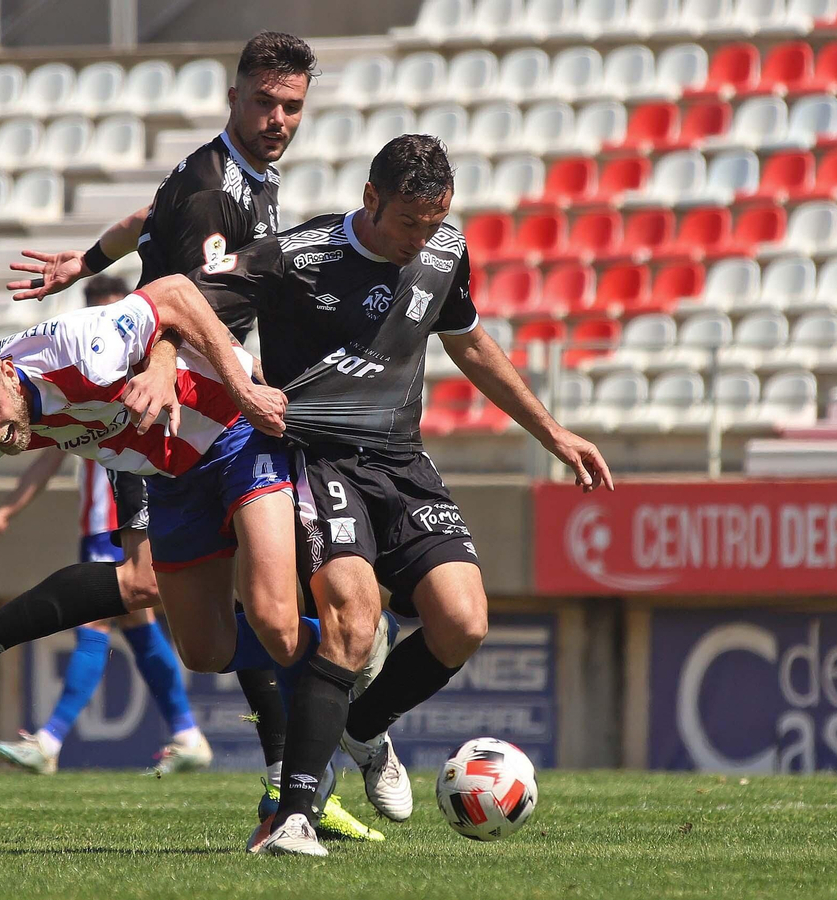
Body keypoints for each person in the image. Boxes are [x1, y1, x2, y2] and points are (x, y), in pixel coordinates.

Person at [170, 134, 616, 856]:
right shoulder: (296, 256)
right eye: (410, 221)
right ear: (371, 197)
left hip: (402, 462)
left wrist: (553, 433)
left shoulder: (445, 253)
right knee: (352, 616)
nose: (422, 237)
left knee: (463, 621)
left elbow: (469, 343)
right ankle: (294, 816)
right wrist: (211, 373)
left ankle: (363, 726)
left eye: (436, 220)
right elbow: (185, 296)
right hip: (318, 459)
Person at [4, 31, 382, 843]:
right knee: (201, 639)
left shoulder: (237, 175)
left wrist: (85, 259)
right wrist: (164, 361)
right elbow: (177, 292)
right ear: (233, 96)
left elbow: (150, 222)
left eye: (293, 107)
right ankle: (337, 675)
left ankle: (321, 730)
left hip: (225, 422)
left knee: (276, 619)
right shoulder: (214, 191)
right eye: (265, 103)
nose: (279, 119)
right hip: (173, 414)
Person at [0, 275, 211, 776]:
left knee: (99, 621)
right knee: (141, 630)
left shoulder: (132, 366)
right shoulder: (68, 387)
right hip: (100, 519)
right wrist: (6, 512)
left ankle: (51, 740)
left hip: (125, 514)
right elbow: (48, 455)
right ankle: (187, 734)